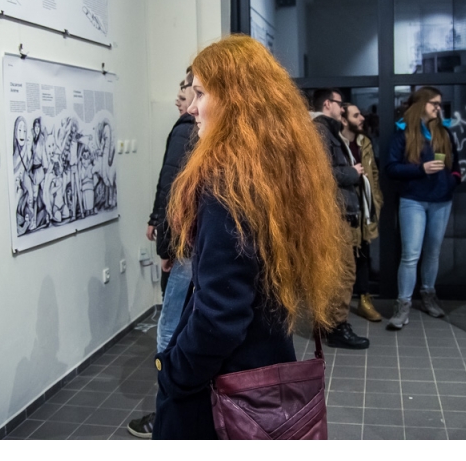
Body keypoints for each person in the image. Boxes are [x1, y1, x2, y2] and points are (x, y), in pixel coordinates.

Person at [152, 35, 345, 440]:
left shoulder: (228, 184)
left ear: (234, 100)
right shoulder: (273, 170)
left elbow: (220, 316)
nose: (190, 107)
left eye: (200, 93)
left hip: (226, 387)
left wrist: (175, 374)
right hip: (265, 363)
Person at [128, 70, 197, 438]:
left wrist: (166, 246)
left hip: (187, 247)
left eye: (189, 88)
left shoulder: (188, 127)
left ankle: (168, 416)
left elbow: (174, 189)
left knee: (171, 330)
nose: (182, 96)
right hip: (194, 244)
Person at [385, 86, 461, 330]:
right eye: (434, 104)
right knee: (410, 255)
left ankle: (428, 296)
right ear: (420, 105)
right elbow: (391, 168)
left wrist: (452, 181)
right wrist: (421, 169)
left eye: (439, 104)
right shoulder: (403, 135)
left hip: (441, 200)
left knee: (433, 252)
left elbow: (457, 166)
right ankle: (403, 305)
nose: (438, 108)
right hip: (413, 201)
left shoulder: (444, 133)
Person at [309, 89, 369, 350]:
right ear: (327, 104)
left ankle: (327, 323)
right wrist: (352, 172)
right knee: (344, 271)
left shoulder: (327, 131)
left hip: (336, 211)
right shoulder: (321, 131)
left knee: (334, 272)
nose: (342, 108)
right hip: (334, 213)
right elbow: (321, 173)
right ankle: (336, 327)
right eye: (339, 103)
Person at [340, 103, 384, 322]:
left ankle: (365, 300)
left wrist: (377, 201)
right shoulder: (336, 143)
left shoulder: (364, 141)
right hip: (345, 208)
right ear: (344, 120)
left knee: (364, 253)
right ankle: (338, 309)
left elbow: (373, 172)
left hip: (365, 207)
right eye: (356, 115)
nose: (362, 118)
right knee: (344, 259)